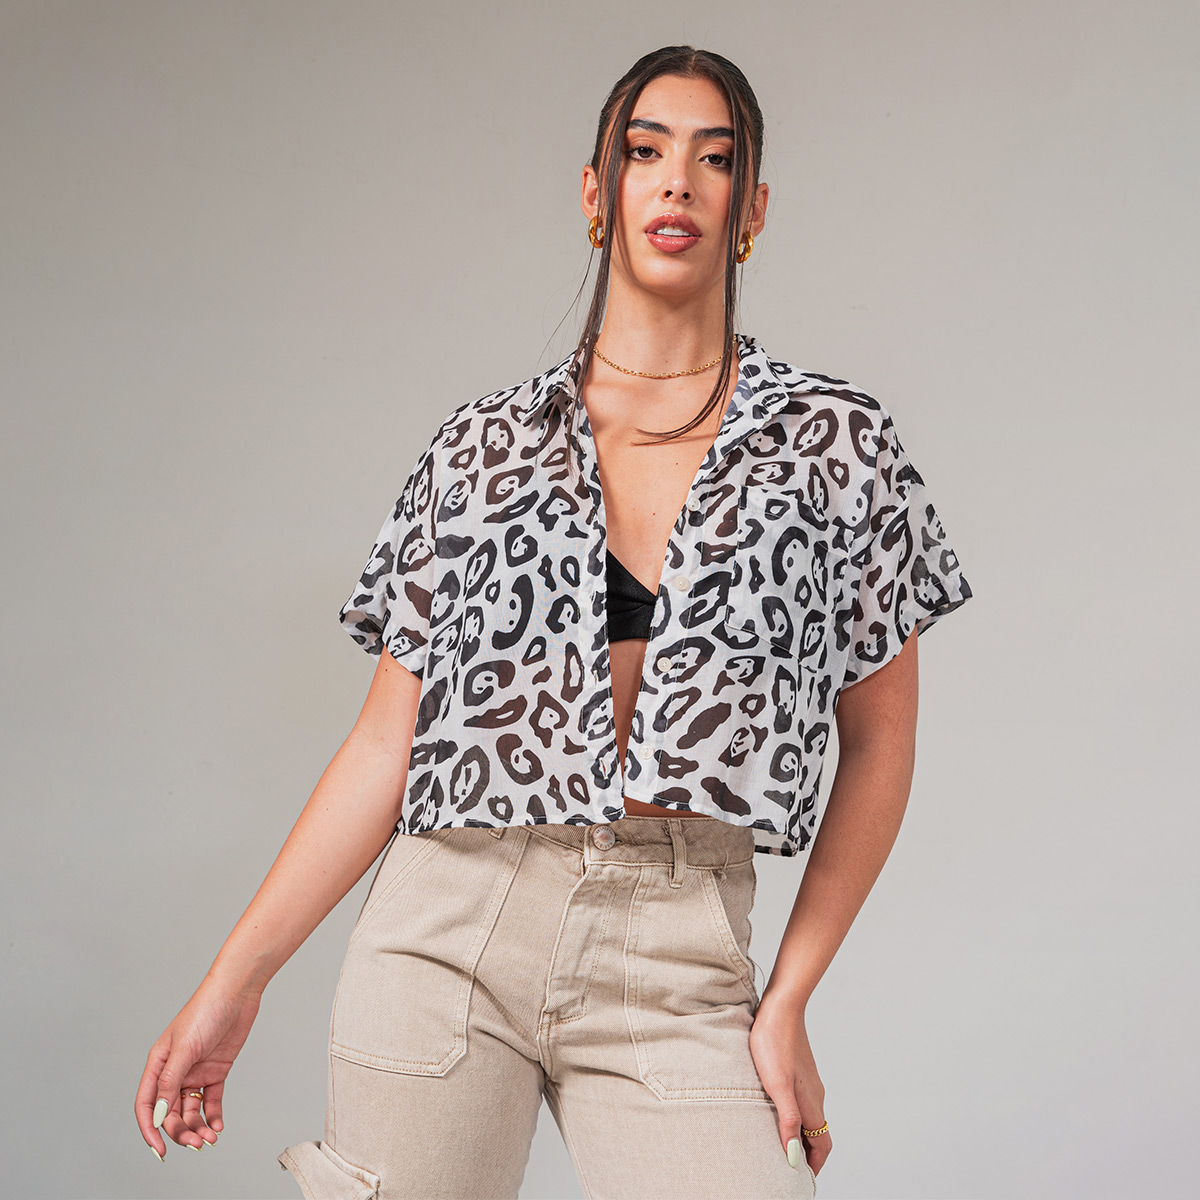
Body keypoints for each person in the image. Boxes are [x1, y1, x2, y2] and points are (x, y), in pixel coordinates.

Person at [135, 45, 973, 1199]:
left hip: (677, 949)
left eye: (715, 158)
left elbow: (881, 745)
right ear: (596, 190)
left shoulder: (836, 445)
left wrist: (787, 999)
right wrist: (235, 981)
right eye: (645, 151)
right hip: (448, 928)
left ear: (753, 208)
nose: (676, 181)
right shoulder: (480, 449)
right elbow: (384, 744)